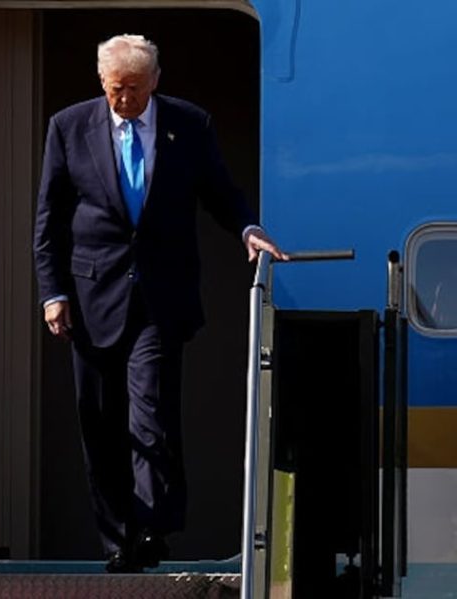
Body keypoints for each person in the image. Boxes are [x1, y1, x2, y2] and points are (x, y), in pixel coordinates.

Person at [33, 34, 286, 573]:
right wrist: (52, 293)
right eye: (117, 89)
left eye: (137, 89)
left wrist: (246, 227)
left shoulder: (188, 125)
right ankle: (116, 540)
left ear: (156, 82)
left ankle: (153, 529)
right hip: (90, 294)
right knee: (99, 423)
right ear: (102, 81)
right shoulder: (69, 127)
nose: (125, 99)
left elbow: (219, 188)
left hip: (160, 296)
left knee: (152, 415)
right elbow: (49, 220)